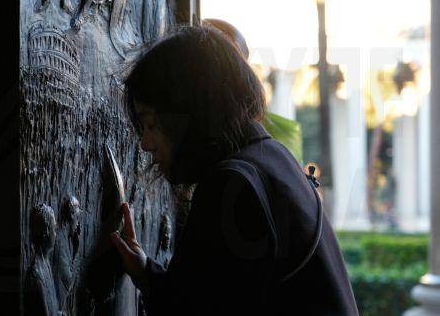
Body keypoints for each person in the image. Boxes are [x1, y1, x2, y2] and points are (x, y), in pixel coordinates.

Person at [110, 25, 359, 315]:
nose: (145, 143)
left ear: (190, 113)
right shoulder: (272, 157)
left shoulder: (232, 184)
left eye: (151, 124)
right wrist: (146, 273)